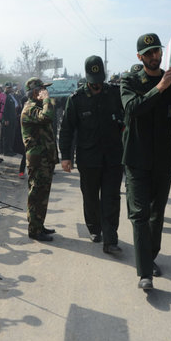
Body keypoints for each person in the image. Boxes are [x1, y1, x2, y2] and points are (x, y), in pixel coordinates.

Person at [120, 33, 171, 290]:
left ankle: (150, 257)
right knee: (139, 215)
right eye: (149, 53)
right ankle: (145, 273)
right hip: (137, 159)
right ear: (140, 57)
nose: (154, 56)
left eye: (157, 52)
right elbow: (132, 109)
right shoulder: (129, 80)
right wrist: (161, 86)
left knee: (156, 214)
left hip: (163, 160)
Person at [59, 55, 125, 254]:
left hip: (113, 157)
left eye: (99, 82)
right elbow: (67, 129)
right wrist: (66, 156)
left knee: (111, 198)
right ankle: (94, 228)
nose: (97, 86)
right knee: (90, 197)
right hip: (88, 159)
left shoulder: (115, 94)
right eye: (93, 83)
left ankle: (111, 239)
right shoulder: (76, 99)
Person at [21, 77, 58, 242]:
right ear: (36, 92)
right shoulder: (30, 109)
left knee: (43, 194)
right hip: (38, 159)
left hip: (45, 157)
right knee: (36, 194)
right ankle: (34, 230)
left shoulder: (37, 106)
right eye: (43, 89)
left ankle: (39, 225)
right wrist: (47, 100)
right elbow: (48, 116)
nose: (46, 91)